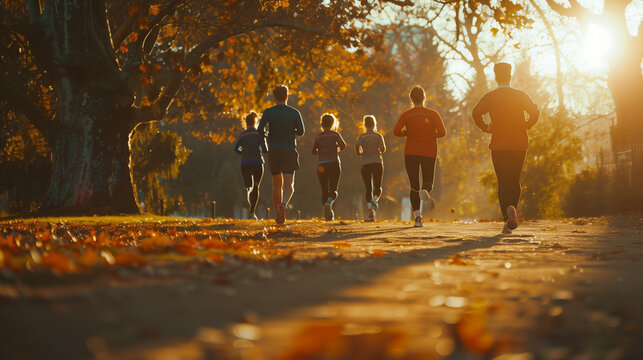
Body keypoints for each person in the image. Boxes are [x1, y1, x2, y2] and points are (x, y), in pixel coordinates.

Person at [471, 62, 539, 234]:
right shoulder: (520, 95)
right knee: (515, 181)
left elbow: (475, 113)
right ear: (510, 76)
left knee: (503, 182)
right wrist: (526, 125)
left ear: (496, 77)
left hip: (499, 146)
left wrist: (486, 127)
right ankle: (512, 209)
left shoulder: (490, 97)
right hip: (519, 145)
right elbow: (535, 111)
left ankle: (506, 218)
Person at [394, 86, 447, 227]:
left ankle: (417, 218)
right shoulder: (433, 114)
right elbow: (442, 132)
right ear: (424, 98)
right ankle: (426, 190)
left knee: (414, 186)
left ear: (411, 99)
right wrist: (430, 134)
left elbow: (396, 131)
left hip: (411, 152)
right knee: (428, 180)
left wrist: (406, 133)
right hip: (429, 151)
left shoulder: (406, 115)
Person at [258, 85, 305, 224]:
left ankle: (279, 214)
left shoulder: (268, 112)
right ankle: (283, 205)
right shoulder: (294, 112)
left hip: (274, 150)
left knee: (277, 184)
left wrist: (267, 135)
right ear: (287, 96)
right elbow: (301, 132)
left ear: (274, 97)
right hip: (289, 150)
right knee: (289, 184)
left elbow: (260, 129)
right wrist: (291, 129)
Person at [233, 111, 267, 220]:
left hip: (245, 162)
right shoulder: (259, 134)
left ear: (246, 123)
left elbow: (236, 148)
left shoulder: (243, 134)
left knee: (248, 184)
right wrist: (263, 140)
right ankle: (252, 213)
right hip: (257, 162)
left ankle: (246, 190)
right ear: (256, 121)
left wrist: (243, 152)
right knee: (256, 187)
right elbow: (265, 150)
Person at [312, 113, 346, 220]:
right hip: (334, 163)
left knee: (324, 190)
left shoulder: (318, 137)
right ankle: (329, 203)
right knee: (333, 189)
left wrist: (322, 151)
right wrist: (335, 147)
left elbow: (313, 151)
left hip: (321, 165)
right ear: (332, 124)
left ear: (322, 124)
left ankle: (326, 213)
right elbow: (343, 145)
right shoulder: (335, 135)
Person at [355, 115, 386, 222]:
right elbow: (383, 148)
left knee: (368, 188)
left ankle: (370, 213)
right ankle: (375, 199)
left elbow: (356, 145)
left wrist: (359, 152)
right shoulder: (378, 136)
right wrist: (379, 150)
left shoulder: (361, 137)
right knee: (378, 187)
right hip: (377, 162)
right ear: (374, 124)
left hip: (365, 163)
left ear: (365, 124)